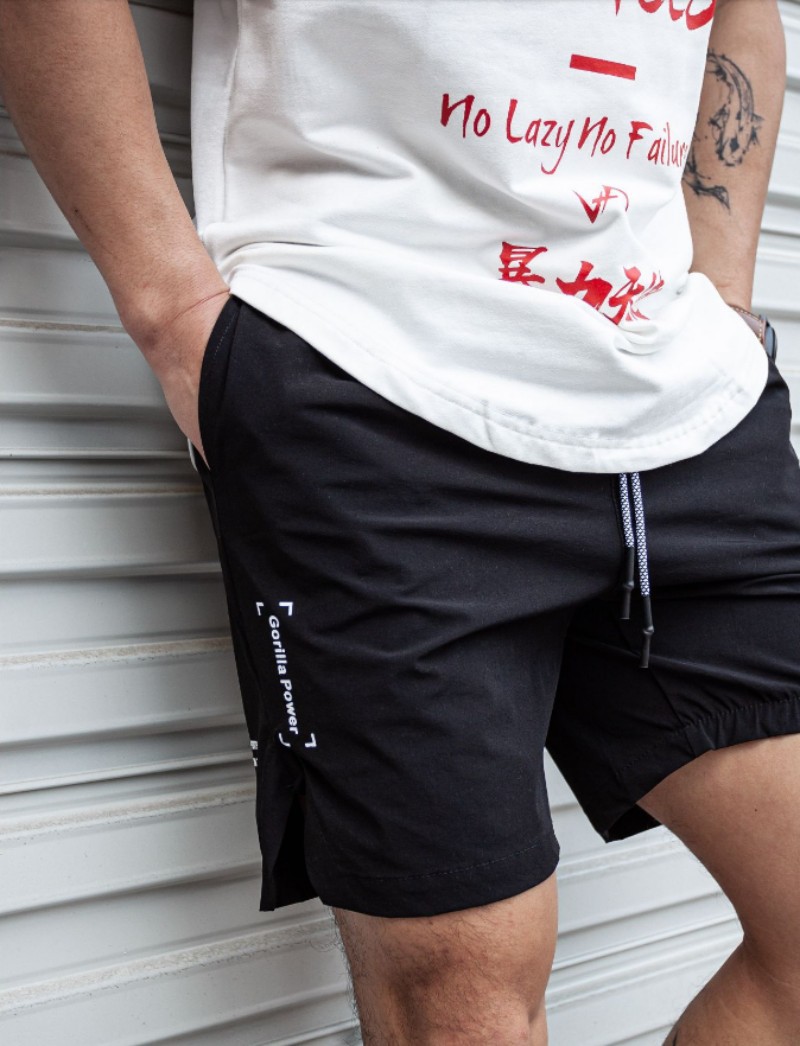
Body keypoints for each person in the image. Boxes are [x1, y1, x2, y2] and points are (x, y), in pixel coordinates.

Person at [0, 1, 795, 1041]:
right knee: (461, 1003)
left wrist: (722, 294)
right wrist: (176, 314)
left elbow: (740, 13)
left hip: (686, 404)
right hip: (374, 377)